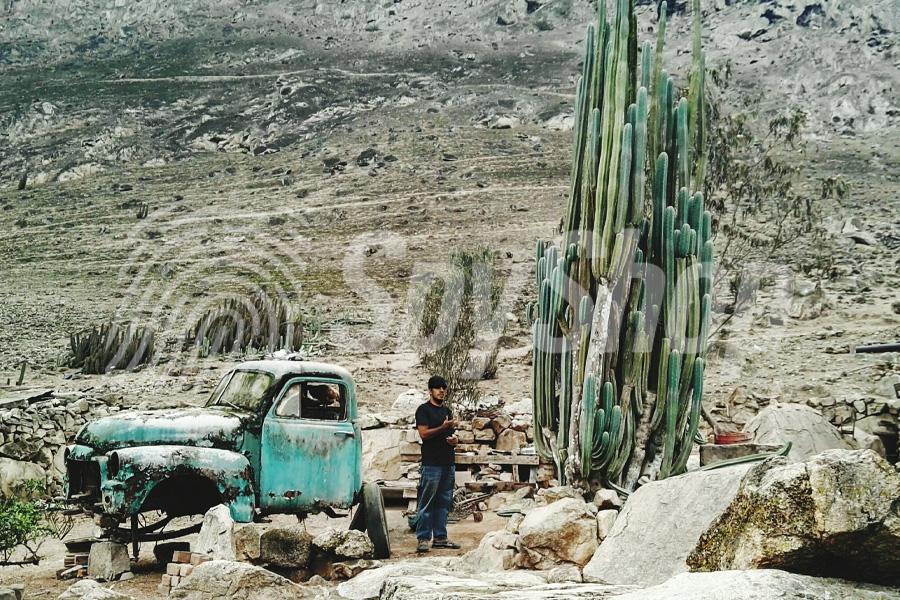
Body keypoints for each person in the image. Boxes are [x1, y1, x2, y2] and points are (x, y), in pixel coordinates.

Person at [413, 375, 460, 553]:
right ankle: (423, 538)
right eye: (437, 388)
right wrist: (443, 426)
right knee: (427, 501)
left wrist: (455, 440)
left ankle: (440, 537)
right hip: (431, 463)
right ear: (430, 390)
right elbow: (424, 434)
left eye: (443, 388)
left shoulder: (447, 411)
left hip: (448, 462)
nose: (441, 391)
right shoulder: (423, 410)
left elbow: (452, 434)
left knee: (444, 501)